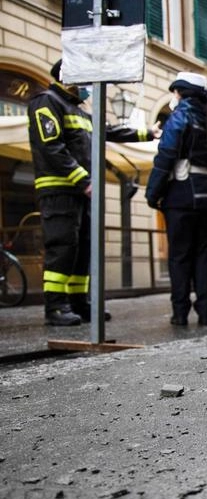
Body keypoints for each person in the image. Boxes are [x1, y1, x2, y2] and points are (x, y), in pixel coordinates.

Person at [28, 59, 159, 326]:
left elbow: (108, 131)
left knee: (84, 248)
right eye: (86, 79)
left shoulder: (79, 109)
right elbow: (50, 148)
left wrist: (147, 133)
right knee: (63, 247)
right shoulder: (47, 102)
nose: (89, 87)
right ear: (69, 77)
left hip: (83, 191)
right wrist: (83, 180)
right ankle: (55, 306)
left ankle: (80, 303)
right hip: (60, 189)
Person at [145, 71, 207, 326]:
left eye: (175, 92)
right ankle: (205, 312)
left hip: (180, 195)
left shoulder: (179, 116)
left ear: (180, 93)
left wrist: (153, 193)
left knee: (179, 256)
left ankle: (180, 313)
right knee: (203, 256)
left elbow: (165, 156)